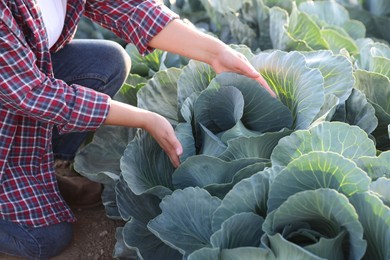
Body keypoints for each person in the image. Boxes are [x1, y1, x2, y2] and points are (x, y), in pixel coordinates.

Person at [0, 0, 275, 259]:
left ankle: (37, 172)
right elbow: (30, 93)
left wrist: (216, 52)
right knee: (44, 239)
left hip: (15, 89)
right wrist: (146, 119)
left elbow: (128, 7)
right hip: (19, 92)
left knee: (106, 64)